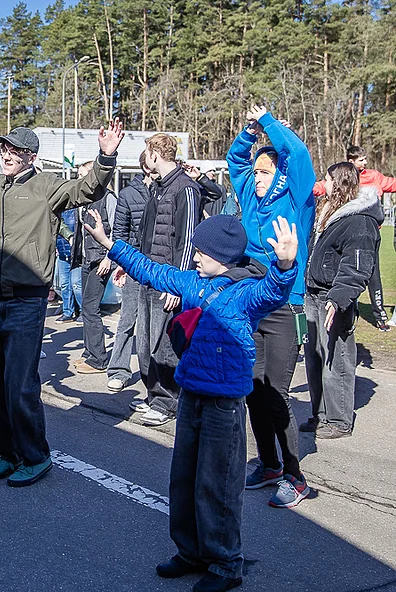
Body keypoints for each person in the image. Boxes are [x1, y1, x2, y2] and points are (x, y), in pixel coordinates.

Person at [85, 210, 298, 592]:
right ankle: (190, 552)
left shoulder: (246, 293)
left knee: (217, 484)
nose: (194, 257)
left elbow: (274, 292)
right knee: (183, 479)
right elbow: (150, 270)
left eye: (201, 251)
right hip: (191, 397)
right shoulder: (194, 282)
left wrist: (285, 265)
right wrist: (108, 243)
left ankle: (225, 562)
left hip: (223, 405)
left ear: (223, 255)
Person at [0, 108, 123, 486]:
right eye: (4, 149)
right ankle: (7, 453)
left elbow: (87, 188)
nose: (7, 154)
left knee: (20, 384)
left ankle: (35, 455)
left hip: (27, 301)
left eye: (14, 150)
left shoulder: (47, 185)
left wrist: (106, 155)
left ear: (30, 155)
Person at [227, 104, 315, 508]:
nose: (258, 179)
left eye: (265, 172)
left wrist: (267, 122)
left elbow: (298, 156)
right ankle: (269, 463)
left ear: (278, 174)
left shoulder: (296, 197)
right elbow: (234, 160)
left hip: (285, 306)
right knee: (253, 390)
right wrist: (248, 131)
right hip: (252, 303)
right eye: (257, 172)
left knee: (276, 393)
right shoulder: (250, 196)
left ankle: (296, 477)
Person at [303, 163, 382, 439]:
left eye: (327, 179)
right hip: (314, 293)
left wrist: (337, 300)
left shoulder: (359, 220)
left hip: (333, 298)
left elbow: (357, 267)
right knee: (315, 357)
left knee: (337, 358)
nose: (323, 183)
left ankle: (338, 420)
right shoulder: (329, 212)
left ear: (339, 182)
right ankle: (320, 414)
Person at [134, 133, 202, 426]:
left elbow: (188, 239)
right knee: (145, 344)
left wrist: (178, 283)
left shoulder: (186, 188)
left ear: (154, 155)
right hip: (149, 276)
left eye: (146, 151)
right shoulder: (158, 188)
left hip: (168, 281)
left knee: (166, 345)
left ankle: (166, 400)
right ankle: (153, 395)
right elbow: (148, 233)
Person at [313, 145, 396, 331]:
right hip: (346, 233)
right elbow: (318, 187)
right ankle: (346, 308)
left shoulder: (374, 176)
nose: (365, 162)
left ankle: (379, 314)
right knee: (346, 272)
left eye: (365, 159)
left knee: (372, 276)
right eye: (361, 160)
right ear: (351, 161)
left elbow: (392, 184)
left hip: (368, 234)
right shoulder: (337, 175)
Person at [105, 154, 152, 390]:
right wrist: (120, 264)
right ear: (146, 166)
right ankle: (118, 369)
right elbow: (120, 234)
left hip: (159, 267)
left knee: (152, 324)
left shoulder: (168, 190)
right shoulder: (127, 194)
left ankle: (153, 373)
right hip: (134, 265)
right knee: (127, 319)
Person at [72, 160, 117, 375]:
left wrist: (110, 257)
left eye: (84, 174)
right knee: (86, 307)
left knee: (90, 307)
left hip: (101, 259)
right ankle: (90, 353)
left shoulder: (108, 198)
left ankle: (98, 358)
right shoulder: (86, 200)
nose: (81, 178)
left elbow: (118, 230)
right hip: (86, 258)